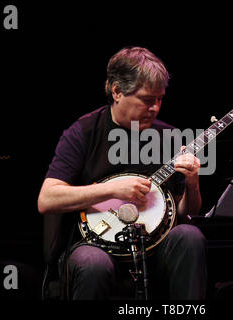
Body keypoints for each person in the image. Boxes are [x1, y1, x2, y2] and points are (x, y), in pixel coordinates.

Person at [38, 46, 207, 300]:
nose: (155, 108)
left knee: (190, 236)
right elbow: (47, 200)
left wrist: (193, 182)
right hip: (95, 246)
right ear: (117, 91)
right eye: (147, 100)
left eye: (160, 99)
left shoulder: (168, 137)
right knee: (92, 262)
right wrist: (112, 189)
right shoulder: (83, 133)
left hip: (154, 247)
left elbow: (188, 212)